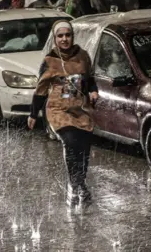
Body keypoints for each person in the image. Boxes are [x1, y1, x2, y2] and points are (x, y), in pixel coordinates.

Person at [27, 20, 99, 206]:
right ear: (55, 39)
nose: (64, 39)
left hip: (79, 108)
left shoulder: (82, 56)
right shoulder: (49, 60)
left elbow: (89, 78)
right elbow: (41, 90)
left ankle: (80, 182)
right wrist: (33, 114)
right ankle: (74, 184)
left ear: (72, 36)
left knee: (84, 145)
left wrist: (93, 90)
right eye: (60, 36)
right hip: (58, 109)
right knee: (71, 141)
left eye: (67, 35)